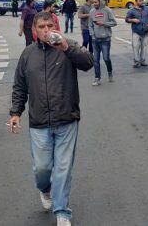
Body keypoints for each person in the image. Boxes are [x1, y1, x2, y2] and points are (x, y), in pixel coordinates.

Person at [9, 11, 94, 226]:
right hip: (39, 123)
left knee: (63, 168)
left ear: (56, 26)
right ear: (34, 31)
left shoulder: (68, 46)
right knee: (42, 168)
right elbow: (20, 86)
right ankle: (45, 189)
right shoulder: (28, 54)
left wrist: (66, 47)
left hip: (66, 119)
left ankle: (62, 211)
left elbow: (88, 62)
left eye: (49, 25)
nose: (46, 30)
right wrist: (16, 113)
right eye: (41, 27)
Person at [89, 0, 117, 86]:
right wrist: (92, 35)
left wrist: (104, 23)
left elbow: (114, 23)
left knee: (106, 58)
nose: (94, 4)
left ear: (100, 1)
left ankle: (110, 72)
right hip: (95, 39)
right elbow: (90, 25)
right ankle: (97, 78)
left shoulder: (107, 10)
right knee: (96, 60)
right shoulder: (92, 11)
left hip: (106, 39)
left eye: (96, 2)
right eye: (93, 2)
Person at [125, 0, 148, 68]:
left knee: (144, 47)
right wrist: (132, 20)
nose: (142, 2)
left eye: (142, 0)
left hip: (145, 31)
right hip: (136, 31)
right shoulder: (131, 11)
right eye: (140, 1)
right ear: (136, 2)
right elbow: (127, 19)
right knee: (135, 47)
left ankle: (143, 61)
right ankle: (136, 61)